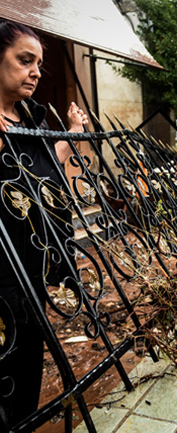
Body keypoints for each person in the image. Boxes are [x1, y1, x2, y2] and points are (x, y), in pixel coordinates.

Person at [0, 21, 88, 428]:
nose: (35, 71)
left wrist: (73, 131)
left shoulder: (28, 117)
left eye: (38, 63)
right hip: (1, 268)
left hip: (32, 262)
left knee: (27, 363)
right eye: (24, 60)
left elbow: (45, 168)